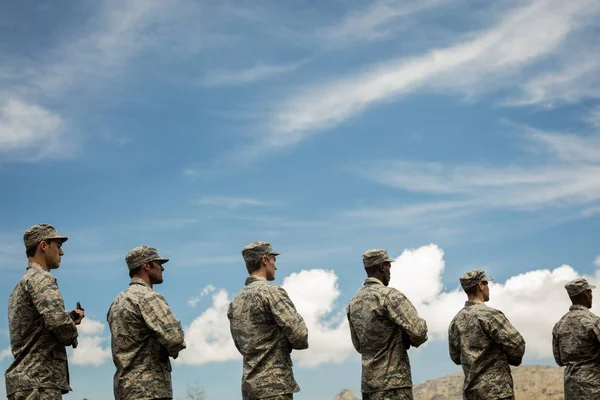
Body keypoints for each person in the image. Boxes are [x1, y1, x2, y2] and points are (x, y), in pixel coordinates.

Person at [5, 224, 84, 400]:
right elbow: (59, 324)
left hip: (25, 383)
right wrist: (72, 331)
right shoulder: (42, 278)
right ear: (43, 246)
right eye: (58, 246)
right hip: (40, 384)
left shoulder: (20, 286)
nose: (61, 253)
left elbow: (37, 327)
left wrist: (69, 317)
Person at [227, 241, 308, 400]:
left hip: (250, 389)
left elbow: (241, 345)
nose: (275, 266)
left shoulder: (235, 301)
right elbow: (300, 335)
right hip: (275, 388)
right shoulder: (272, 292)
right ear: (265, 260)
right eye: (273, 260)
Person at [347, 249, 428, 400]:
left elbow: (359, 345)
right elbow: (419, 331)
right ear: (383, 267)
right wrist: (407, 338)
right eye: (389, 266)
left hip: (369, 388)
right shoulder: (389, 295)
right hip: (394, 386)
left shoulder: (353, 303)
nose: (390, 271)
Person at [107, 246, 186, 400]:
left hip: (125, 389)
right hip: (150, 389)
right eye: (158, 263)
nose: (162, 268)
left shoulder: (117, 302)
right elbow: (175, 338)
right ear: (146, 266)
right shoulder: (148, 297)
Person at [448, 270, 525, 400]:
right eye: (487, 283)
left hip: (471, 394)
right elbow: (518, 346)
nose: (488, 287)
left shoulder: (455, 322)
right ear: (480, 285)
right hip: (497, 392)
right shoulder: (490, 315)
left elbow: (455, 357)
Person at [552, 278, 600, 399]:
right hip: (594, 389)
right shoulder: (593, 321)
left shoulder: (560, 324)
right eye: (590, 292)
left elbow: (559, 360)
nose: (591, 296)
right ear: (585, 294)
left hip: (571, 389)